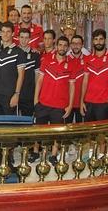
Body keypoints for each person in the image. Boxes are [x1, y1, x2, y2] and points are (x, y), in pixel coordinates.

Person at [32, 36, 75, 165]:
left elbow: (72, 86)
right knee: (39, 130)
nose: (62, 48)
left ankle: (54, 155)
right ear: (56, 46)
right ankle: (35, 152)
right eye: (60, 45)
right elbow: (39, 81)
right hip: (43, 103)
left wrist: (70, 105)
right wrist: (35, 100)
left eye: (64, 46)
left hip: (60, 105)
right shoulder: (46, 60)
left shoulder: (71, 64)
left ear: (67, 48)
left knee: (57, 132)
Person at [80, 29, 108, 122]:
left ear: (105, 40)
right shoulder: (87, 58)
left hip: (103, 103)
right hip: (88, 102)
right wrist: (81, 101)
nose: (98, 42)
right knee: (88, 132)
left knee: (101, 133)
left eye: (101, 39)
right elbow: (85, 81)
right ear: (93, 41)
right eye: (96, 39)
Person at [0, 22, 26, 115]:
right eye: (3, 31)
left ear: (12, 34)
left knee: (10, 126)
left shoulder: (19, 52)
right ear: (0, 33)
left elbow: (21, 75)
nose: (5, 34)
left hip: (10, 95)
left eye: (8, 32)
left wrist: (17, 94)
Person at [17, 28, 40, 117]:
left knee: (28, 121)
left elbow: (37, 76)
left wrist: (36, 94)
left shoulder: (35, 55)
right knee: (13, 122)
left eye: (26, 38)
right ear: (18, 38)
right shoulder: (13, 52)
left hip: (29, 94)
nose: (24, 40)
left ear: (30, 39)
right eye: (22, 37)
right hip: (14, 93)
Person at [67, 35, 86, 122]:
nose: (76, 46)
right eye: (73, 43)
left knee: (81, 130)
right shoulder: (65, 59)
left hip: (82, 103)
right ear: (70, 45)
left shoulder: (88, 60)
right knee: (66, 130)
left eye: (78, 43)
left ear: (82, 45)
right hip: (66, 102)